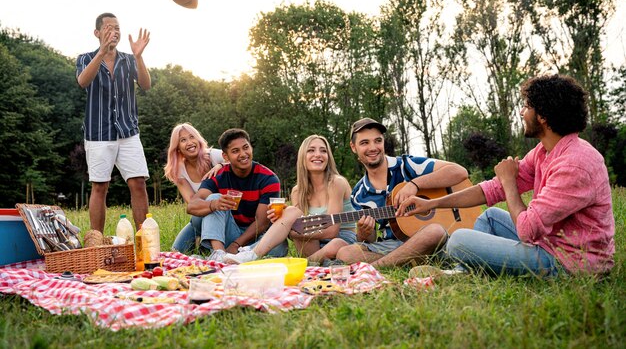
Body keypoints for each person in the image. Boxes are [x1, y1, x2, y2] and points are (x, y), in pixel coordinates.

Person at [399, 75, 615, 276]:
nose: (522, 112)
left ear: (543, 117)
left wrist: (509, 181)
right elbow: (492, 189)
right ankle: (462, 273)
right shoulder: (544, 152)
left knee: (458, 241)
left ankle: (463, 271)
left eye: (527, 107)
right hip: (551, 243)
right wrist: (432, 204)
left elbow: (526, 230)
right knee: (490, 216)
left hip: (570, 262)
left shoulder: (575, 164)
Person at [335, 118, 469, 269]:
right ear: (353, 147)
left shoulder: (407, 166)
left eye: (378, 141)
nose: (373, 147)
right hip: (393, 245)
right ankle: (412, 260)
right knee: (345, 253)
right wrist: (364, 232)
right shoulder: (359, 194)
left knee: (434, 231)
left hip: (435, 236)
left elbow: (459, 172)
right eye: (364, 143)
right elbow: (370, 240)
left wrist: (415, 184)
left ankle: (380, 266)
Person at [224, 135, 357, 264]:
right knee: (293, 212)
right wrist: (283, 220)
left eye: (323, 151)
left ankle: (307, 263)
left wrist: (292, 229)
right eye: (311, 150)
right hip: (313, 243)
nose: (318, 154)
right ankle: (252, 254)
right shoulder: (297, 191)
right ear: (303, 157)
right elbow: (298, 229)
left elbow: (332, 231)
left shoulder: (336, 183)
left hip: (340, 239)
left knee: (335, 244)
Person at [76, 12, 151, 232]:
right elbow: (83, 82)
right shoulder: (85, 58)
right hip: (99, 133)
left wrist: (138, 56)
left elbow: (146, 85)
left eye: (117, 27)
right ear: (97, 33)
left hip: (128, 132)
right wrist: (101, 53)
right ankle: (96, 242)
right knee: (100, 186)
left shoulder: (128, 60)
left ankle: (144, 239)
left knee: (138, 183)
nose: (114, 32)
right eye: (109, 27)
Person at [187, 128, 288, 261]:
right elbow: (191, 206)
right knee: (213, 198)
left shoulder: (268, 178)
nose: (243, 154)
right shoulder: (218, 176)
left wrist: (236, 245)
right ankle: (219, 254)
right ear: (225, 157)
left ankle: (238, 255)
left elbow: (262, 223)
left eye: (246, 148)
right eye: (235, 151)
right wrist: (214, 204)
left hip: (253, 236)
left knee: (280, 246)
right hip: (227, 231)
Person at [164, 123, 226, 252]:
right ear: (177, 148)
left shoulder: (213, 156)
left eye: (192, 137)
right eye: (183, 140)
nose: (190, 142)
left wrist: (220, 165)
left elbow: (239, 159)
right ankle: (202, 239)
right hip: (200, 218)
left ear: (198, 139)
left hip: (225, 214)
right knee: (176, 251)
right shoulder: (179, 170)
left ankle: (206, 245)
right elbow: (193, 204)